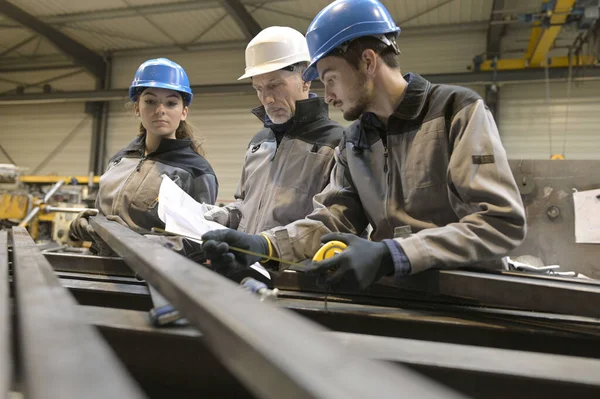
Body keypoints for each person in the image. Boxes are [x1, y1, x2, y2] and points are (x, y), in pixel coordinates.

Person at [202, 0, 526, 292]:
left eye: (330, 78)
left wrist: (392, 254)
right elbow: (333, 219)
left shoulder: (456, 111)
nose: (326, 95)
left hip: (470, 298)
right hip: (395, 296)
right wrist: (264, 246)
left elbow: (499, 222)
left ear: (368, 62)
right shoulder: (354, 141)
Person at [203, 26, 344, 235]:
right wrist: (225, 216)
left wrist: (266, 246)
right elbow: (245, 205)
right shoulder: (258, 143)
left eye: (275, 85)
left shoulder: (335, 143)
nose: (267, 99)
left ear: (305, 79)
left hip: (296, 267)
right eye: (258, 89)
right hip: (248, 265)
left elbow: (335, 224)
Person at [69, 58, 218, 254]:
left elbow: (197, 241)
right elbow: (105, 214)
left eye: (171, 103)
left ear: (184, 112)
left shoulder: (196, 171)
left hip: (148, 278)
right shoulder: (120, 160)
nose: (160, 110)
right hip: (99, 269)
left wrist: (132, 241)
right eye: (150, 101)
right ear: (137, 108)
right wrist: (87, 225)